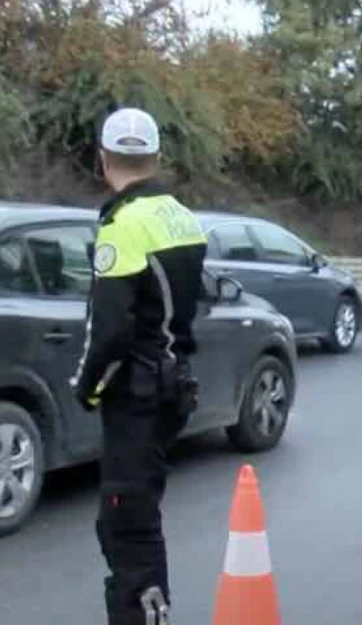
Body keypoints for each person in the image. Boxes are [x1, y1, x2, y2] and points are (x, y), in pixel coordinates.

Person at [70, 107, 207, 625]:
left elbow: (109, 330)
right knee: (139, 515)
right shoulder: (182, 217)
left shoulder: (122, 226)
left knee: (127, 525)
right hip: (174, 387)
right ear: (155, 159)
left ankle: (145, 616)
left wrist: (87, 387)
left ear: (104, 160)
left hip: (139, 393)